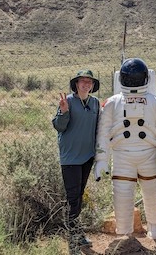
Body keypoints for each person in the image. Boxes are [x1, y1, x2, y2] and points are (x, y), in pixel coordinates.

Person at [94, 58, 156, 239]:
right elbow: (102, 133)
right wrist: (101, 159)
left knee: (153, 193)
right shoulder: (112, 103)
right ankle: (124, 233)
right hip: (121, 155)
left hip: (148, 154)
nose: (133, 81)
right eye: (130, 78)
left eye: (136, 78)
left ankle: (155, 228)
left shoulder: (155, 102)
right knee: (122, 197)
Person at [52, 69, 100, 250]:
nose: (86, 84)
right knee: (72, 199)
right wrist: (63, 112)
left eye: (89, 81)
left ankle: (77, 234)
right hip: (70, 158)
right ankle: (72, 242)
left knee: (78, 197)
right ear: (76, 84)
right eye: (82, 81)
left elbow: (98, 128)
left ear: (93, 85)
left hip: (87, 156)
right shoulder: (68, 101)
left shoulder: (95, 103)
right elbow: (59, 127)